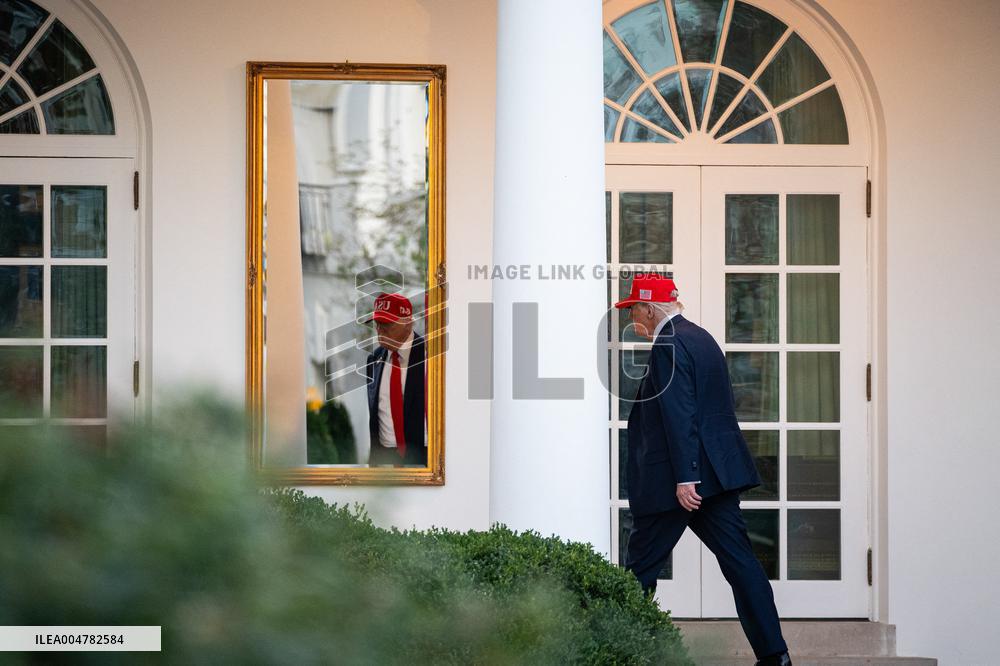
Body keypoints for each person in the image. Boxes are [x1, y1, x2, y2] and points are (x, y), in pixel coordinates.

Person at [614, 273, 791, 666]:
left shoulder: (668, 344)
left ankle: (616, 651)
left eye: (634, 311)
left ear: (649, 308)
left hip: (679, 484)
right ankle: (775, 656)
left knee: (638, 570)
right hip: (716, 478)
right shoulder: (702, 337)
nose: (633, 320)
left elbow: (681, 414)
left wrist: (686, 476)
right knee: (742, 565)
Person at [363, 292, 427, 467]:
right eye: (377, 324)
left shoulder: (429, 356)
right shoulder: (373, 360)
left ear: (408, 323)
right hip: (384, 459)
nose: (380, 330)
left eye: (387, 324)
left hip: (423, 457)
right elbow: (376, 414)